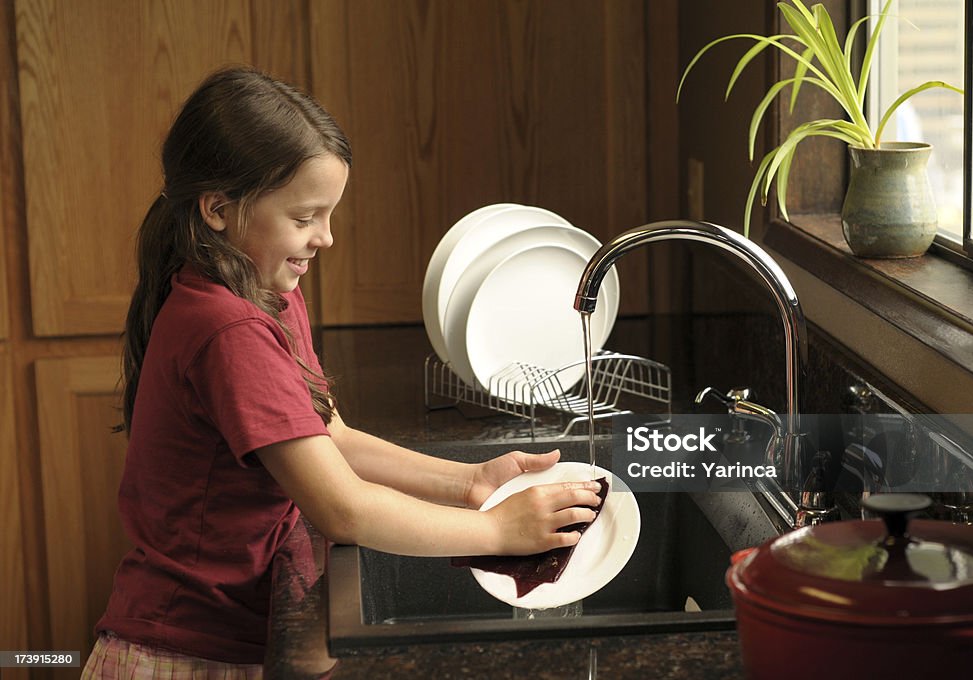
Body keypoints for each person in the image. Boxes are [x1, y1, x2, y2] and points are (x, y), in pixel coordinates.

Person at [82, 65, 601, 678]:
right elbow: (344, 510)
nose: (325, 238)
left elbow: (330, 435)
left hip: (214, 632)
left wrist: (470, 484)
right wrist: (497, 531)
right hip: (183, 652)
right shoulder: (231, 331)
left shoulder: (265, 294)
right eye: (304, 218)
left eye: (328, 215)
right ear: (219, 210)